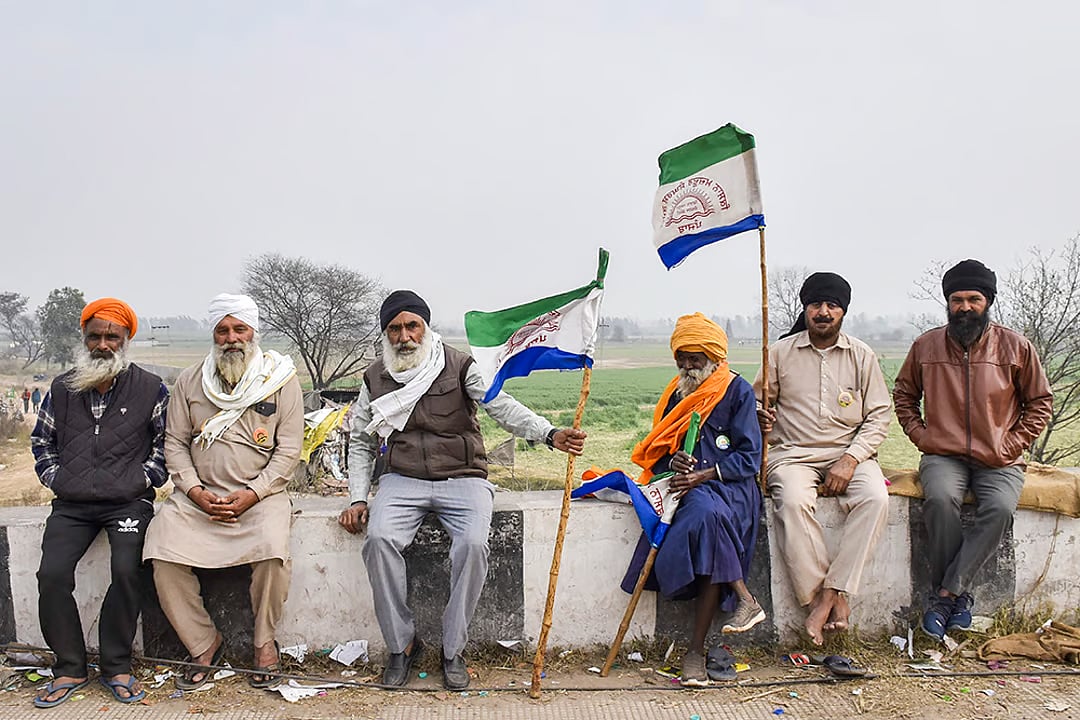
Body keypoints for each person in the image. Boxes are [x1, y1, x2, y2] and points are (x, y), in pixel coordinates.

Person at [339, 290, 587, 690]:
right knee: (379, 540)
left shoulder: (457, 365)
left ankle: (453, 649)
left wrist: (549, 433)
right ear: (385, 333)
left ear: (425, 326)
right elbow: (363, 441)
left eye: (412, 326)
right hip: (402, 479)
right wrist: (356, 497)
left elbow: (500, 406)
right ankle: (402, 646)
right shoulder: (375, 376)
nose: (404, 336)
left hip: (463, 476)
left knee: (473, 545)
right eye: (395, 328)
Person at [143, 293, 303, 690]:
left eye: (239, 329)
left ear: (253, 332)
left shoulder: (280, 380)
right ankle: (204, 644)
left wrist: (254, 493)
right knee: (160, 550)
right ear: (213, 335)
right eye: (223, 330)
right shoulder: (189, 381)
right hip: (199, 501)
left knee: (273, 554)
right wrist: (195, 491)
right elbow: (176, 444)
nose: (231, 338)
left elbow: (289, 450)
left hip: (260, 499)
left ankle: (264, 644)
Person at [894, 259, 1053, 641]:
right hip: (943, 454)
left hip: (999, 457)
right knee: (941, 499)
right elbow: (903, 396)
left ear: (988, 301)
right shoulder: (926, 345)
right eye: (957, 299)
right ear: (947, 303)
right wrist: (923, 438)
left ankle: (945, 596)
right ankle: (957, 599)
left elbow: (1040, 403)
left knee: (998, 508)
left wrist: (1012, 443)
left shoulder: (1017, 346)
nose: (965, 307)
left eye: (974, 299)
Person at [30, 298, 168, 707]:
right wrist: (59, 478)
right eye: (96, 336)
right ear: (84, 338)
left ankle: (116, 666)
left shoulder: (150, 387)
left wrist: (142, 479)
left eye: (113, 336)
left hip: (128, 503)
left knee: (127, 571)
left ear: (126, 340)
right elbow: (41, 442)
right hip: (71, 504)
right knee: (51, 576)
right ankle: (70, 667)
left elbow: (165, 446)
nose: (103, 344)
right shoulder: (62, 387)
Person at [621, 313, 763, 686]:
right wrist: (675, 461)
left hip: (731, 487)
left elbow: (750, 458)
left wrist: (706, 472)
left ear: (713, 356)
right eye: (681, 359)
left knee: (710, 515)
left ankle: (695, 651)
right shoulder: (675, 394)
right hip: (688, 486)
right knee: (705, 515)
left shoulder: (738, 391)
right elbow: (661, 450)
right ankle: (742, 597)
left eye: (694, 359)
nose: (687, 366)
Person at [754, 272, 892, 645]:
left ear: (843, 311)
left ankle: (830, 595)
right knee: (794, 502)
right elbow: (754, 404)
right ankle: (823, 598)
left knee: (876, 499)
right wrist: (759, 413)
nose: (823, 312)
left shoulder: (861, 355)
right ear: (805, 308)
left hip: (849, 454)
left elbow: (879, 415)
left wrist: (851, 459)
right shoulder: (779, 353)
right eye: (816, 304)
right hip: (792, 454)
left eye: (832, 305)